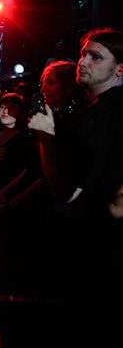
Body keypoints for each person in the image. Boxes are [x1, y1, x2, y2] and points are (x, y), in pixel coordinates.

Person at [28, 27, 123, 294]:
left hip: (87, 246)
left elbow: (66, 193)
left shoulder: (99, 117)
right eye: (83, 54)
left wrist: (46, 139)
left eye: (96, 57)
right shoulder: (99, 111)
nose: (83, 62)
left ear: (119, 70)